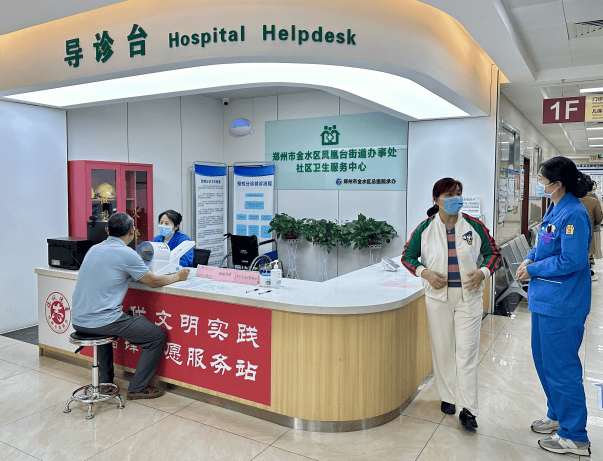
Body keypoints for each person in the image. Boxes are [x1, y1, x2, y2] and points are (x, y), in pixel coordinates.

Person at [402, 177, 501, 431]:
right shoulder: (425, 228)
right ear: (437, 200)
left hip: (469, 298)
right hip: (438, 299)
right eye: (449, 195)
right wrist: (425, 273)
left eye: (458, 193)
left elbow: (493, 253)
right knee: (443, 349)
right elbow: (407, 256)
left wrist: (482, 272)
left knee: (466, 353)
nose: (456, 199)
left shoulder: (474, 226)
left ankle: (469, 409)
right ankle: (448, 396)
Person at [516, 156, 591, 457]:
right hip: (545, 301)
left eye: (542, 179)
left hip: (563, 304)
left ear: (557, 184)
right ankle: (557, 414)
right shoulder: (555, 208)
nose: (539, 183)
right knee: (545, 362)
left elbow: (572, 260)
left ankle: (575, 436)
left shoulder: (574, 214)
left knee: (562, 368)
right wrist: (529, 258)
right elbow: (544, 243)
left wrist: (534, 269)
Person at [72, 212, 190, 400]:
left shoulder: (94, 249)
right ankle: (138, 387)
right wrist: (178, 276)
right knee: (156, 336)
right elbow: (153, 282)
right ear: (132, 231)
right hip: (102, 321)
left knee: (104, 328)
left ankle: (105, 382)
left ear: (108, 231)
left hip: (78, 319)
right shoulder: (127, 254)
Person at [578, 174, 602, 281]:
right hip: (589, 231)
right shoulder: (594, 201)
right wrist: (593, 223)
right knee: (587, 250)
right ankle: (585, 271)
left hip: (573, 232)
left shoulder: (573, 201)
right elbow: (599, 217)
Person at [590, 180, 603, 261]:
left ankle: (592, 256)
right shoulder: (583, 197)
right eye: (592, 185)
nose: (594, 187)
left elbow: (600, 209)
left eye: (595, 185)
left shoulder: (598, 197)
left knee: (595, 241)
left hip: (595, 223)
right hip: (590, 223)